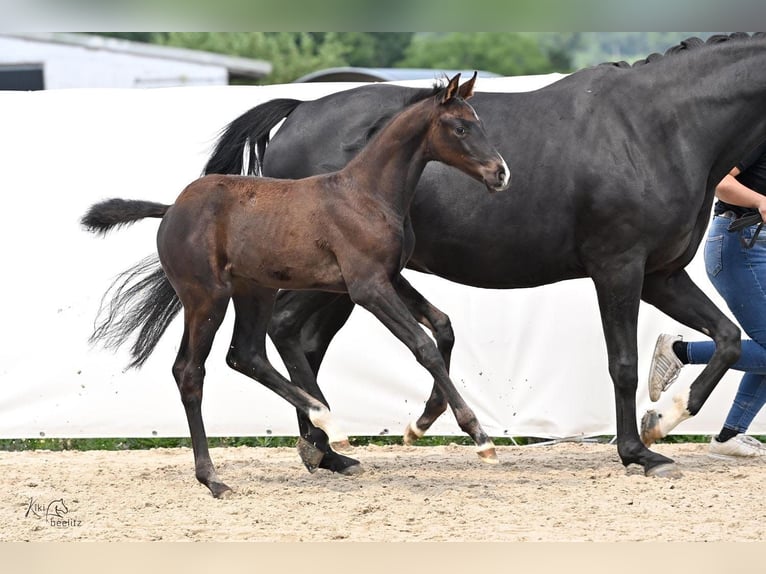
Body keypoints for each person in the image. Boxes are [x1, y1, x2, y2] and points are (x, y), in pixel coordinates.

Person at [649, 140, 766, 460]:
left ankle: (730, 437)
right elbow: (719, 181)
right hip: (740, 243)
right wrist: (760, 201)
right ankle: (679, 351)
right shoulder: (759, 131)